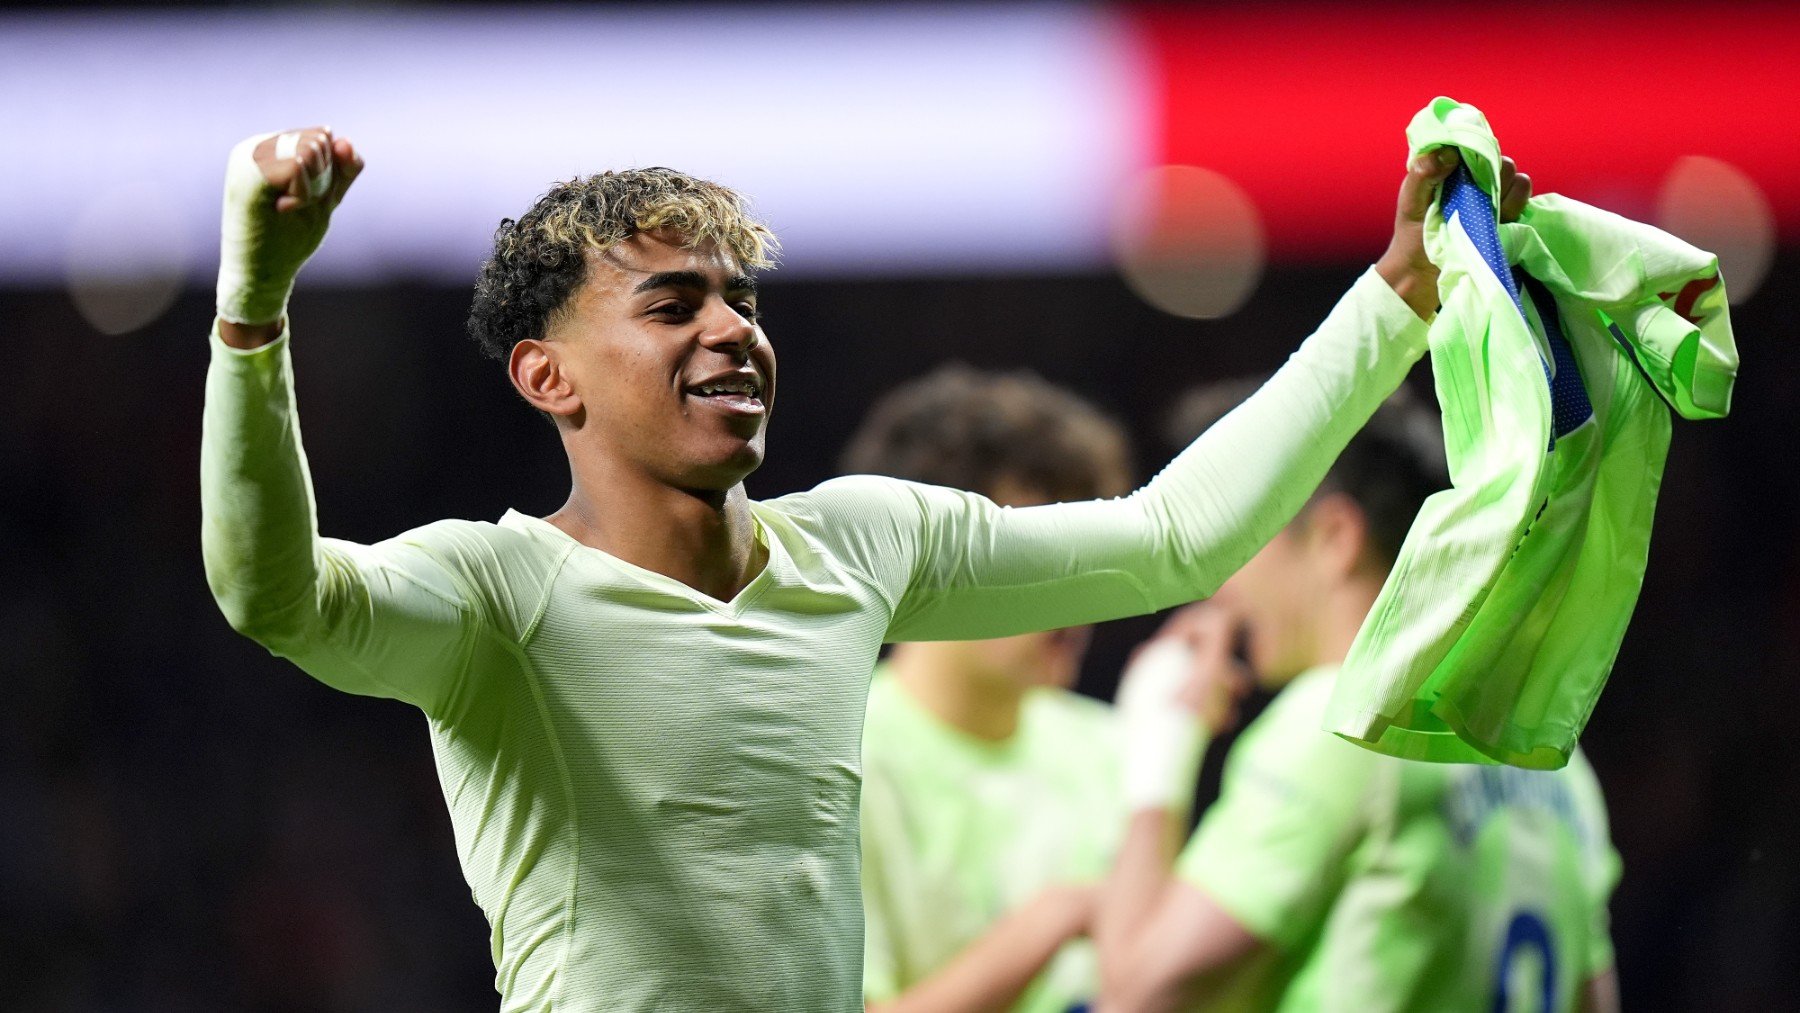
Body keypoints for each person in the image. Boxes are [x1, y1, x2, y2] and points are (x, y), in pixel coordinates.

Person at [200, 124, 1523, 1010]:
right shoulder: (496, 597)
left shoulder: (860, 543)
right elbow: (274, 594)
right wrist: (254, 312)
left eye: (743, 300)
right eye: (672, 305)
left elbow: (1174, 537)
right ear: (550, 378)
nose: (730, 329)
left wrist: (1395, 293)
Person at [1096, 388, 1623, 1013]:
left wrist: (1159, 751)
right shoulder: (1555, 760)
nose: (1218, 583)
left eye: (1238, 539)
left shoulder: (1342, 723)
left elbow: (1132, 996)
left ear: (1334, 539)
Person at [842, 365, 1133, 1012]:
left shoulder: (1121, 745)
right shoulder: (838, 760)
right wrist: (1054, 920)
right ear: (920, 558)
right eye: (1034, 555)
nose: (1076, 592)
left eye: (1085, 554)